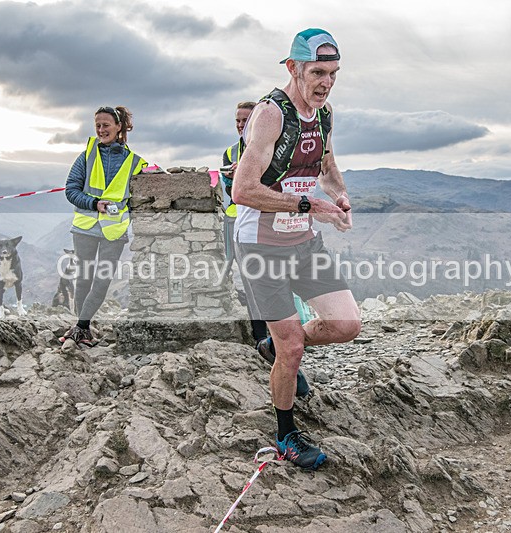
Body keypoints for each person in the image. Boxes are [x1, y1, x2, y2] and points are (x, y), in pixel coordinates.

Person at [231, 28, 361, 470]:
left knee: (346, 325)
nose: (326, 82)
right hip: (260, 245)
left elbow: (326, 165)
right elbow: (242, 190)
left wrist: (339, 198)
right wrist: (310, 204)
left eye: (334, 73)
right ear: (293, 68)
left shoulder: (323, 115)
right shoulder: (270, 115)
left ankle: (279, 348)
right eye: (317, 72)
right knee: (292, 348)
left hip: (304, 240)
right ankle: (285, 432)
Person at [59, 106, 147, 346]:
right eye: (97, 125)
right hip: (85, 226)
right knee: (84, 279)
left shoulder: (135, 162)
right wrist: (94, 203)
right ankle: (82, 327)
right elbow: (71, 190)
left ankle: (80, 327)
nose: (100, 130)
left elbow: (153, 183)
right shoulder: (87, 154)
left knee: (102, 279)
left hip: (114, 231)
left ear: (119, 127)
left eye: (105, 125)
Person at [220, 102, 270, 346]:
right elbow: (231, 193)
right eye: (238, 121)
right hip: (236, 221)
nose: (241, 125)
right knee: (249, 279)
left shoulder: (271, 148)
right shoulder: (230, 153)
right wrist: (231, 180)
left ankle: (280, 332)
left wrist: (246, 175)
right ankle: (260, 337)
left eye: (246, 120)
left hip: (264, 220)